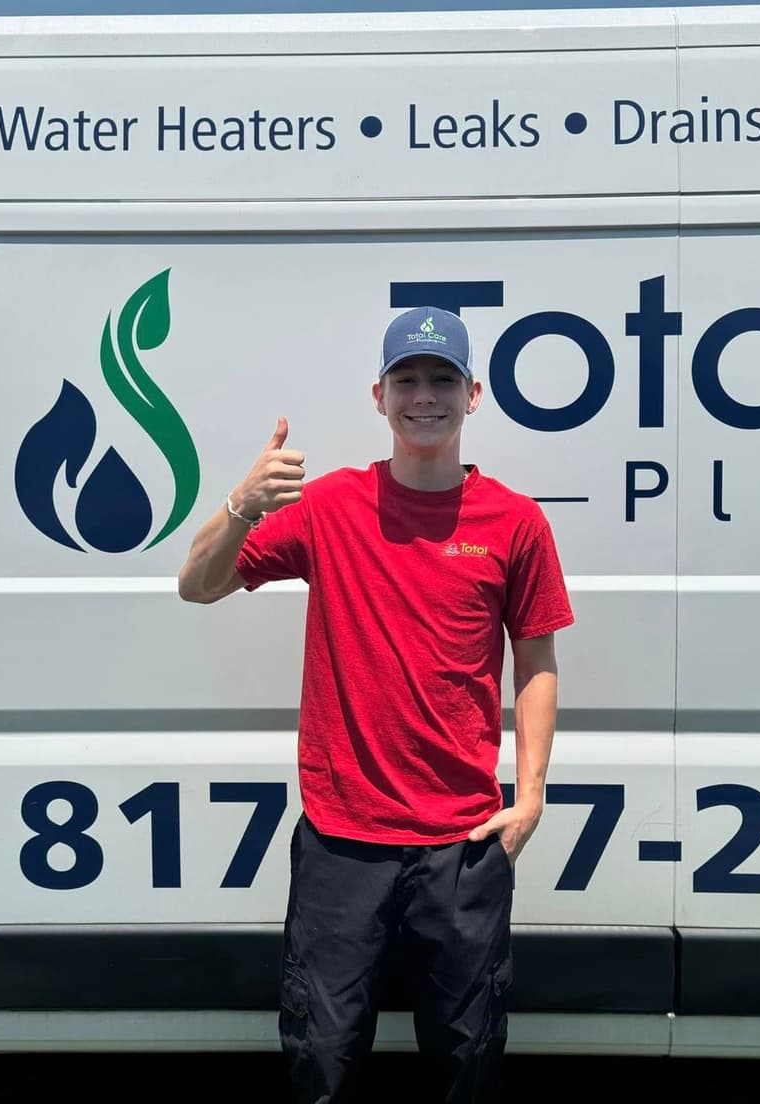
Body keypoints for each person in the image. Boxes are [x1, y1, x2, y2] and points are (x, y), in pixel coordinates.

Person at [177, 305, 575, 1103]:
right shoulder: (328, 508)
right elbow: (198, 586)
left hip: (462, 843)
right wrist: (243, 502)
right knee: (320, 1064)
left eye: (441, 379)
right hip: (341, 843)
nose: (423, 396)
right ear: (378, 396)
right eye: (406, 380)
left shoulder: (515, 523)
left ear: (474, 396)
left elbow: (536, 661)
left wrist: (528, 797)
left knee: (467, 1064)